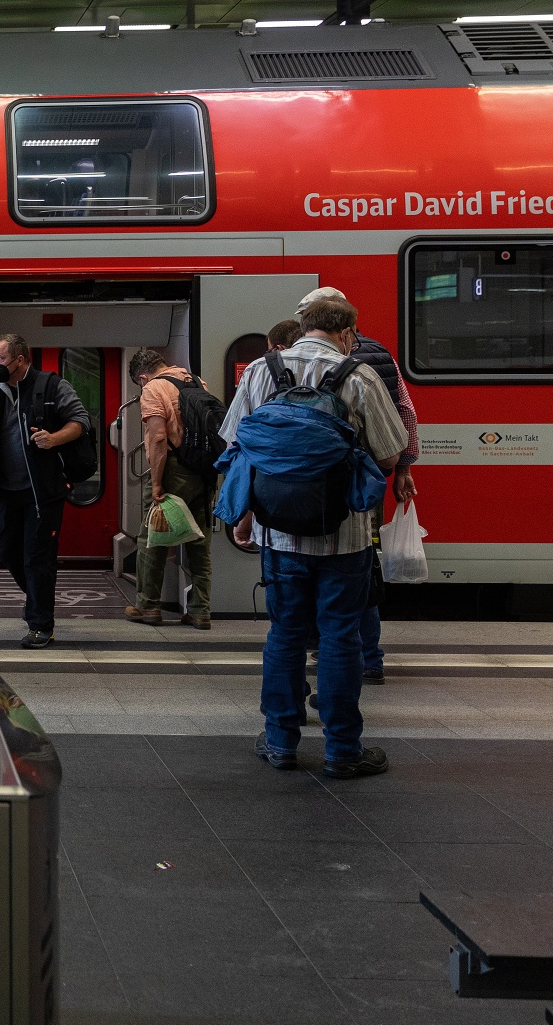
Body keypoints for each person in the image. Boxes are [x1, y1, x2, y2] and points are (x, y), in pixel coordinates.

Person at [217, 296, 405, 779]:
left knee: (284, 635)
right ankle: (343, 750)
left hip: (278, 534)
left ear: (302, 327)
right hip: (344, 535)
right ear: (348, 331)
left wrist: (246, 511)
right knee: (341, 636)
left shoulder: (261, 370)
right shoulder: (358, 375)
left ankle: (280, 742)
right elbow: (388, 454)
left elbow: (236, 441)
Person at [295, 287, 420, 685]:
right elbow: (406, 412)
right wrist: (403, 468)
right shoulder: (379, 357)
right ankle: (370, 658)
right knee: (362, 572)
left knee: (302, 577)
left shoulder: (277, 363)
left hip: (293, 490)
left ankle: (313, 654)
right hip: (358, 486)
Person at [0, 334, 90, 648]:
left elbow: (81, 421)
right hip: (5, 491)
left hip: (42, 492)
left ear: (20, 360)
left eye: (1, 360)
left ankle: (40, 625)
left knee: (37, 558)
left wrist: (53, 439)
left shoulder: (50, 386)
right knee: (5, 551)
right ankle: (38, 599)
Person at [126, 348, 216, 629]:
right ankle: (200, 610)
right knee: (199, 541)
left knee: (152, 537)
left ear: (142, 377)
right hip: (204, 470)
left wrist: (156, 483)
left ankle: (148, 606)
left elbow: (158, 438)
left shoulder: (154, 388)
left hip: (173, 471)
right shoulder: (195, 382)